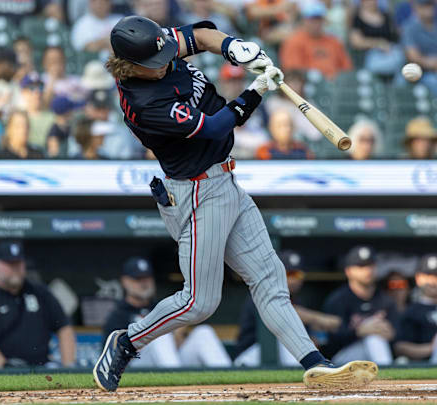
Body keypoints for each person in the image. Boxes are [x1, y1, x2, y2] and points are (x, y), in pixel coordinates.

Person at [93, 15, 378, 392]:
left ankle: (315, 364)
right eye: (155, 62)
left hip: (224, 181)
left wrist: (234, 49)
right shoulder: (146, 102)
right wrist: (257, 89)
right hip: (194, 193)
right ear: (132, 66)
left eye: (164, 53)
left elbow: (201, 36)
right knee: (200, 302)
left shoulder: (154, 49)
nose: (165, 61)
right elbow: (215, 125)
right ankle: (126, 342)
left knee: (270, 278)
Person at [103, 257, 231, 368]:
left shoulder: (161, 307)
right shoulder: (118, 315)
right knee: (159, 336)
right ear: (125, 281)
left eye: (147, 278)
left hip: (173, 361)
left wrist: (177, 336)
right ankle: (176, 385)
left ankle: (230, 380)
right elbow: (114, 358)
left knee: (203, 332)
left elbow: (177, 343)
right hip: (137, 366)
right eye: (138, 279)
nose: (144, 283)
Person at [0, 240, 76, 368]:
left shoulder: (40, 292)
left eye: (18, 263)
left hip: (42, 368)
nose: (15, 269)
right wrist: (7, 369)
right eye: (9, 264)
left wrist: (68, 366)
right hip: (2, 372)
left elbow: (64, 327)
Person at [234, 250, 341, 367]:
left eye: (298, 274)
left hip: (277, 356)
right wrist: (319, 318)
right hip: (250, 354)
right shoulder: (261, 294)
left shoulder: (297, 300)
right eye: (289, 274)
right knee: (287, 344)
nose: (295, 280)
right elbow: (284, 313)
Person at [322, 246, 397, 366]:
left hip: (376, 353)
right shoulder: (337, 300)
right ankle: (388, 376)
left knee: (374, 337)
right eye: (361, 266)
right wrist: (359, 332)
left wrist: (391, 335)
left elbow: (398, 337)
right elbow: (329, 343)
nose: (367, 270)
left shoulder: (386, 300)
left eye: (370, 265)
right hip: (342, 360)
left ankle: (386, 379)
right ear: (348, 271)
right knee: (373, 336)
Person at [279, 1, 352, 80]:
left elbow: (347, 69)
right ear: (304, 20)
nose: (316, 23)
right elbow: (293, 72)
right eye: (312, 19)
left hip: (334, 85)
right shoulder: (294, 41)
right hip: (307, 85)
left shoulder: (334, 41)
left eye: (319, 19)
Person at [400, 0, 437, 101]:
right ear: (417, 8)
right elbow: (414, 57)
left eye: (430, 5)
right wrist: (436, 66)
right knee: (433, 81)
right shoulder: (409, 27)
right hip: (418, 70)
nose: (428, 9)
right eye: (424, 6)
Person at [349, 0, 405, 77]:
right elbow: (356, 42)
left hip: (391, 51)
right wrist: (378, 43)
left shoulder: (386, 16)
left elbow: (395, 35)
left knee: (400, 57)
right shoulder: (357, 18)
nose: (371, 2)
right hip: (370, 55)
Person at [18, 72, 54, 149]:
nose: (37, 92)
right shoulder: (17, 118)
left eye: (40, 87)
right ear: (23, 92)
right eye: (32, 88)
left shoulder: (53, 118)